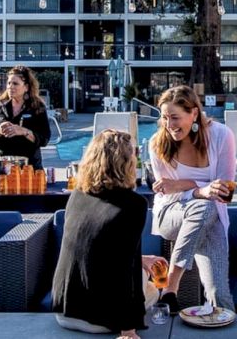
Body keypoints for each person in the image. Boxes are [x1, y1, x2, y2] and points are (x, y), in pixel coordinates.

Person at [52, 129, 166, 338]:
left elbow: (94, 248)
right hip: (99, 321)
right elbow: (124, 270)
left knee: (142, 274)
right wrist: (128, 330)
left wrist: (141, 259)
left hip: (64, 312)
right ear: (127, 162)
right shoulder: (133, 204)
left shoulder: (77, 194)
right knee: (151, 287)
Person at [148, 85, 236, 313]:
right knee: (205, 206)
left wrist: (185, 186)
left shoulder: (221, 135)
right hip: (171, 215)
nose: (169, 125)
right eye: (165, 118)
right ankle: (172, 285)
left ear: (194, 113)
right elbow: (166, 193)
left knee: (219, 294)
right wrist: (199, 190)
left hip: (211, 216)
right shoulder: (157, 144)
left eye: (175, 117)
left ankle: (225, 329)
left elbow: (225, 193)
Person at [0, 66, 51, 169]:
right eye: (9, 83)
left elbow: (44, 139)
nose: (10, 87)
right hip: (3, 168)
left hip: (29, 167)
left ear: (26, 87)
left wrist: (24, 131)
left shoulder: (37, 107)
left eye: (15, 83)